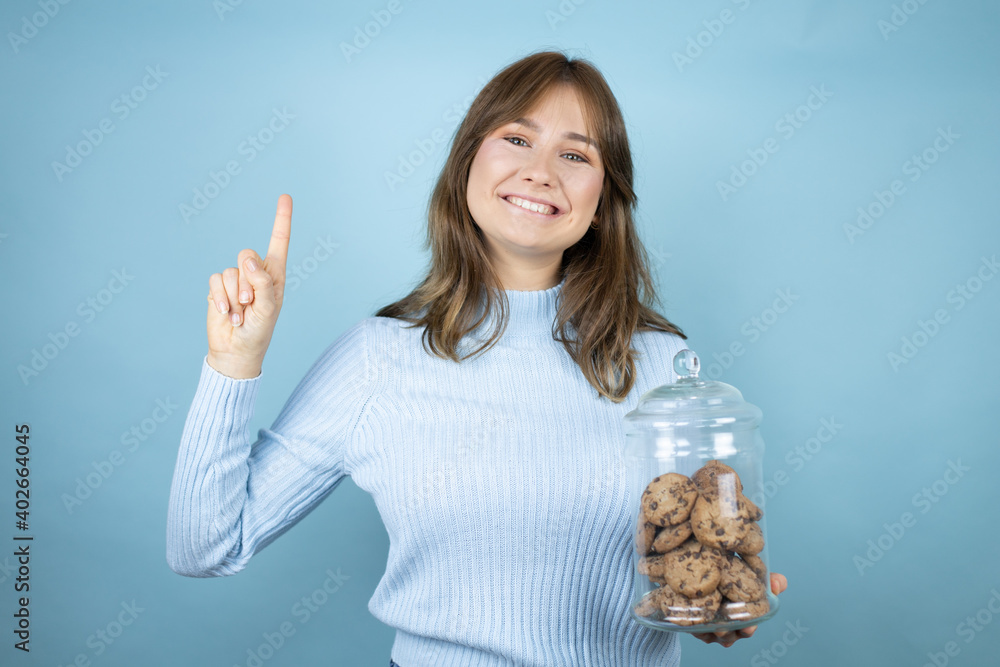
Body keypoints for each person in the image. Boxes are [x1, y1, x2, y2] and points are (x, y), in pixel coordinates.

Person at [167, 50, 787, 666]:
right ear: (467, 163)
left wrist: (715, 615)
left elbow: (695, 560)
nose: (541, 171)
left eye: (575, 154)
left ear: (605, 200)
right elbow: (205, 548)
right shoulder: (377, 358)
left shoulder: (664, 367)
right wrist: (233, 363)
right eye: (516, 138)